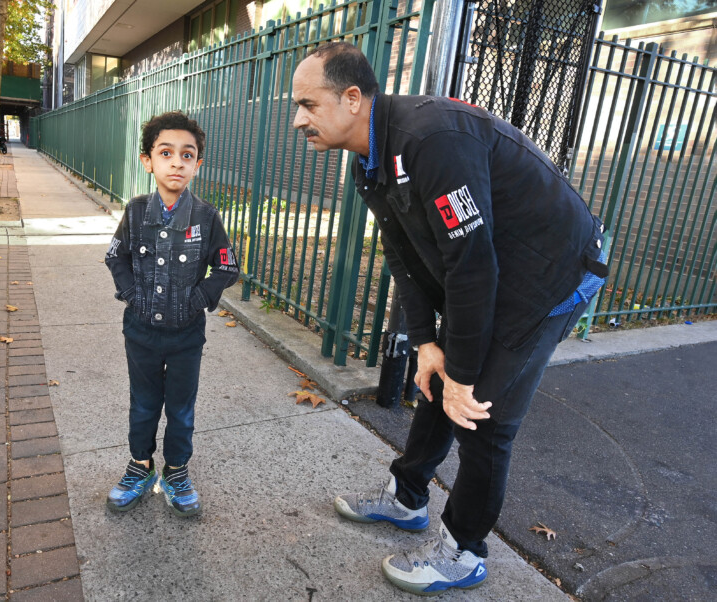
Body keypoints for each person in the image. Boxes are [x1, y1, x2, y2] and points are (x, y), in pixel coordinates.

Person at [292, 42, 607, 595]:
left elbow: (471, 265)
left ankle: (464, 549)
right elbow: (403, 256)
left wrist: (463, 374)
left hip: (549, 276)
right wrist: (426, 344)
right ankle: (409, 498)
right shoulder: (371, 157)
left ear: (351, 98)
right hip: (492, 268)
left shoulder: (430, 141)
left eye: (308, 105)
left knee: (482, 411)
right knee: (443, 381)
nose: (299, 120)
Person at [105, 111, 239, 517]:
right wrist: (132, 295)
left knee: (180, 408)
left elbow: (228, 267)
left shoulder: (206, 216)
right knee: (144, 404)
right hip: (141, 334)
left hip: (185, 337)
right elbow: (116, 256)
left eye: (187, 154)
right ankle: (140, 467)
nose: (177, 162)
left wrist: (198, 299)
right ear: (149, 161)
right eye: (166, 153)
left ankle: (177, 471)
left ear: (198, 164)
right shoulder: (135, 211)